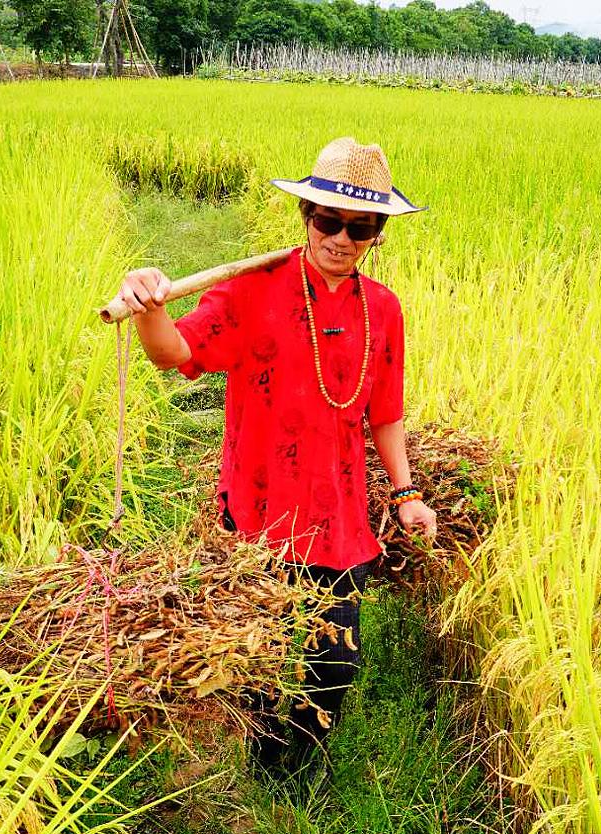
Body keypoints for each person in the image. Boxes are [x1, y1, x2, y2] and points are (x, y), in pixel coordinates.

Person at [116, 136, 438, 783]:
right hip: (260, 509)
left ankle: (303, 764)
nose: (342, 238)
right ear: (306, 215)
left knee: (335, 662)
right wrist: (151, 309)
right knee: (261, 652)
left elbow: (386, 414)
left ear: (377, 233)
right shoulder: (252, 292)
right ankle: (264, 763)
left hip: (340, 516)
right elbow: (176, 352)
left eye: (361, 226)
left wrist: (406, 495)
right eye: (329, 221)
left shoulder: (383, 311)